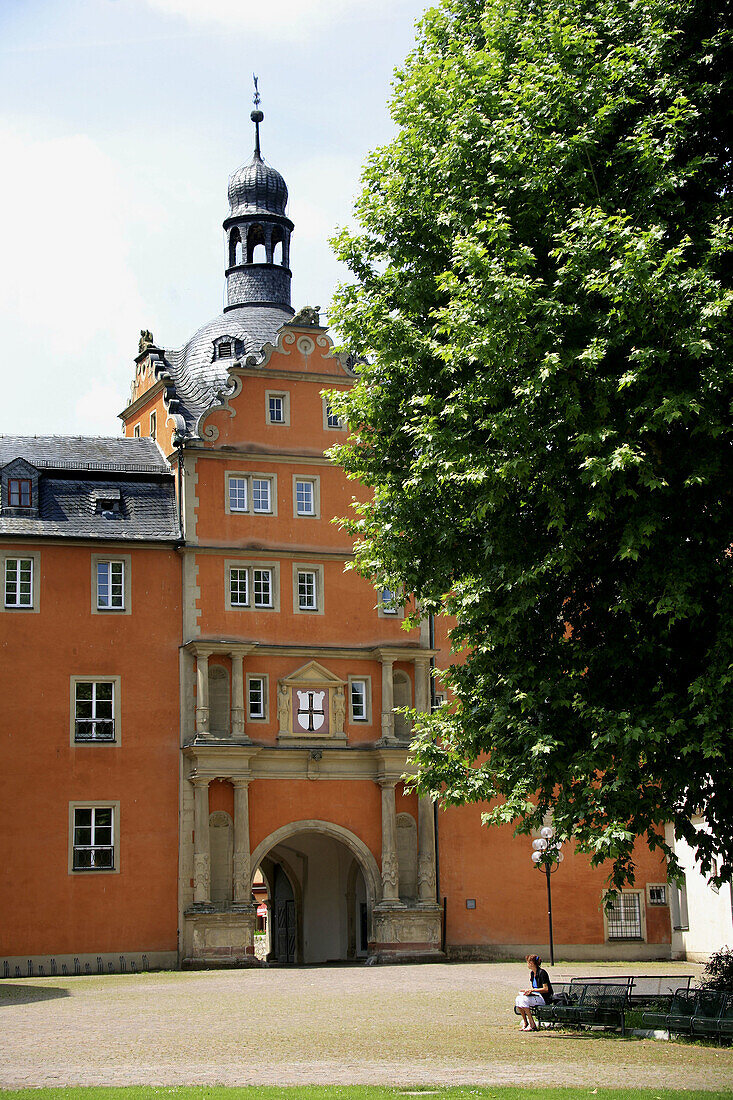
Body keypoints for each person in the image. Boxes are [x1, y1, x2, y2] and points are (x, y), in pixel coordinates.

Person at [515, 953, 553, 1031]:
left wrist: (532, 990)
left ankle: (532, 1024)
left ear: (531, 963)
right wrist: (528, 991)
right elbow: (534, 988)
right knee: (518, 999)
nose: (527, 965)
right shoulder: (532, 973)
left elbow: (546, 989)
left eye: (528, 962)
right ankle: (526, 1022)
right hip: (536, 996)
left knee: (524, 1000)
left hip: (543, 998)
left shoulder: (542, 973)